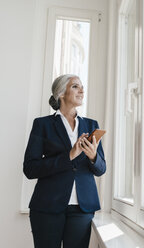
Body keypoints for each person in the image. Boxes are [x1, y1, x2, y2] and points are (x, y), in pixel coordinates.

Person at [23, 74, 106, 248]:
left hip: (82, 208)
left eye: (82, 87)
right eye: (76, 86)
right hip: (47, 206)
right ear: (61, 93)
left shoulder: (92, 125)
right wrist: (69, 155)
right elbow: (30, 169)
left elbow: (101, 168)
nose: (82, 90)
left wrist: (93, 157)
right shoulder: (42, 124)